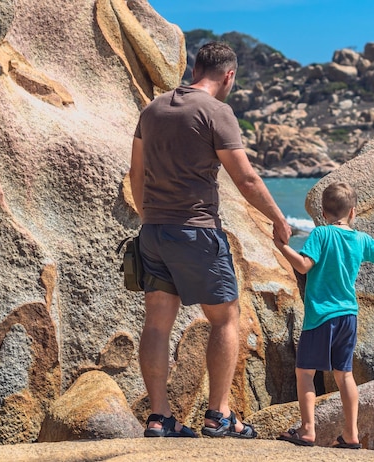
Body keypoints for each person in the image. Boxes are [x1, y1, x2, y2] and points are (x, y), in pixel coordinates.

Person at [129, 41, 292, 438]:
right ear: (228, 75)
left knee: (157, 323)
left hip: (152, 232)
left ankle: (160, 417)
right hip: (196, 231)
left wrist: (148, 216)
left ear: (195, 68)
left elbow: (135, 173)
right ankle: (219, 415)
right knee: (225, 317)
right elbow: (247, 179)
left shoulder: (153, 110)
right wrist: (279, 219)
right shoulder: (216, 112)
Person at [273, 182, 374, 448]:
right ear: (353, 212)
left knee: (305, 373)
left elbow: (304, 266)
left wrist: (282, 246)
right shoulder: (360, 239)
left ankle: (307, 430)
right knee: (345, 375)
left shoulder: (320, 235)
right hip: (348, 316)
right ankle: (351, 435)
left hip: (321, 316)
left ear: (322, 211)